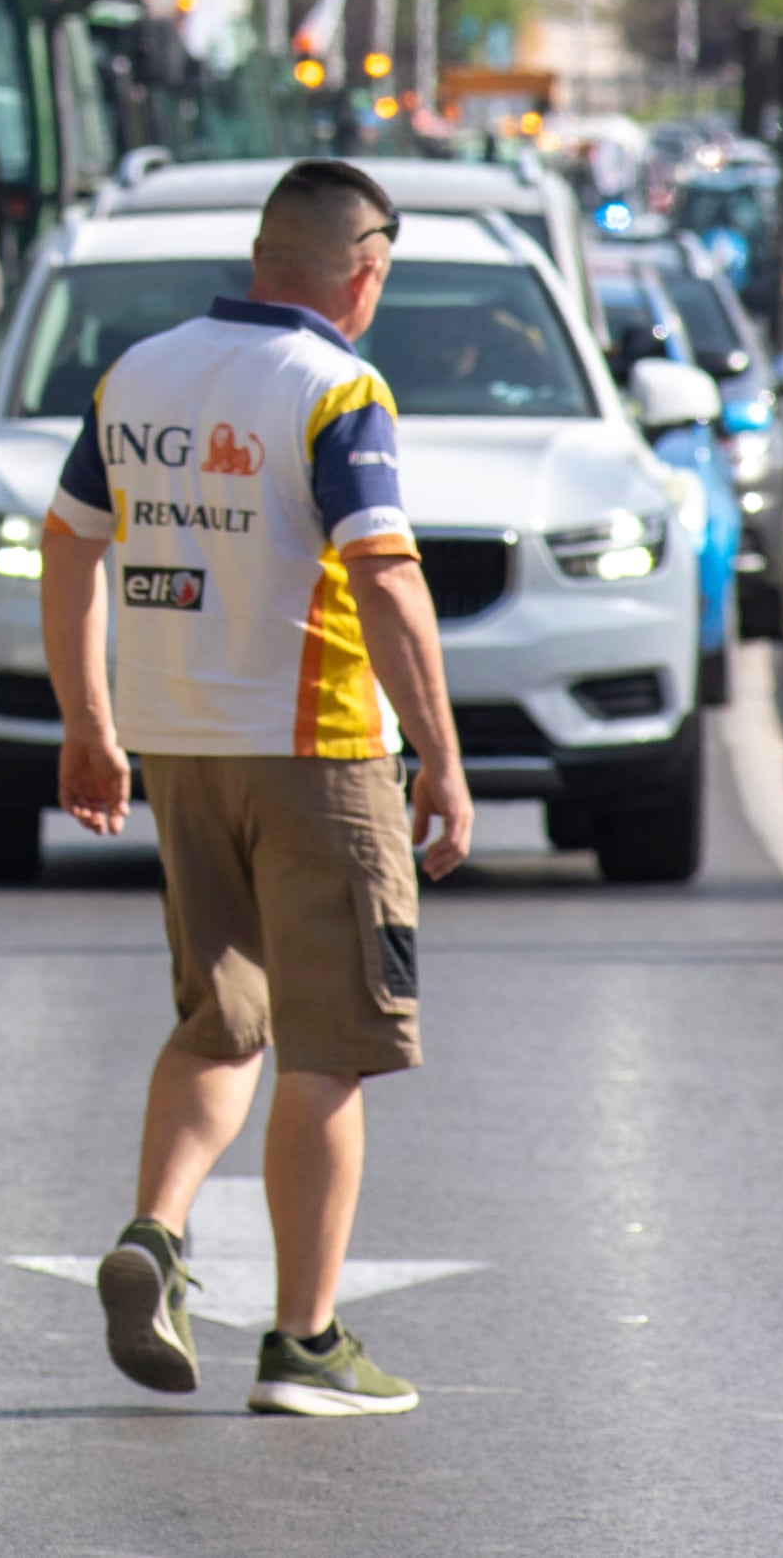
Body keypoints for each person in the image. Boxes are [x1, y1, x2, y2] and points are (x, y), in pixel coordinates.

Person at [47, 159, 473, 1421]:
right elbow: (384, 578)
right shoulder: (336, 387)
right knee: (328, 1048)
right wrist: (440, 756)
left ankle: (158, 1232)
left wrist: (88, 723)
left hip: (178, 745)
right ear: (365, 269)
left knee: (215, 1022)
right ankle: (303, 1341)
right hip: (317, 749)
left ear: (258, 255)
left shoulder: (139, 374)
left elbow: (69, 541)